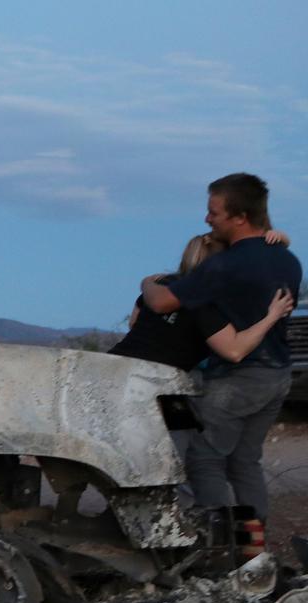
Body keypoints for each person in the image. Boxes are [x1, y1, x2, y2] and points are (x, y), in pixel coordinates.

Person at [141, 173, 302, 521]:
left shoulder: (224, 266)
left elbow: (163, 303)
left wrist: (147, 284)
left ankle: (218, 544)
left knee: (204, 459)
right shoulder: (288, 260)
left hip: (236, 378)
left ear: (239, 217)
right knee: (245, 461)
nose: (207, 218)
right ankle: (251, 548)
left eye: (214, 212)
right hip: (277, 374)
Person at [110, 231, 294, 371]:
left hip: (116, 363)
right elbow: (234, 351)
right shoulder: (205, 302)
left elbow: (134, 321)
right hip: (149, 379)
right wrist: (272, 316)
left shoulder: (163, 284)